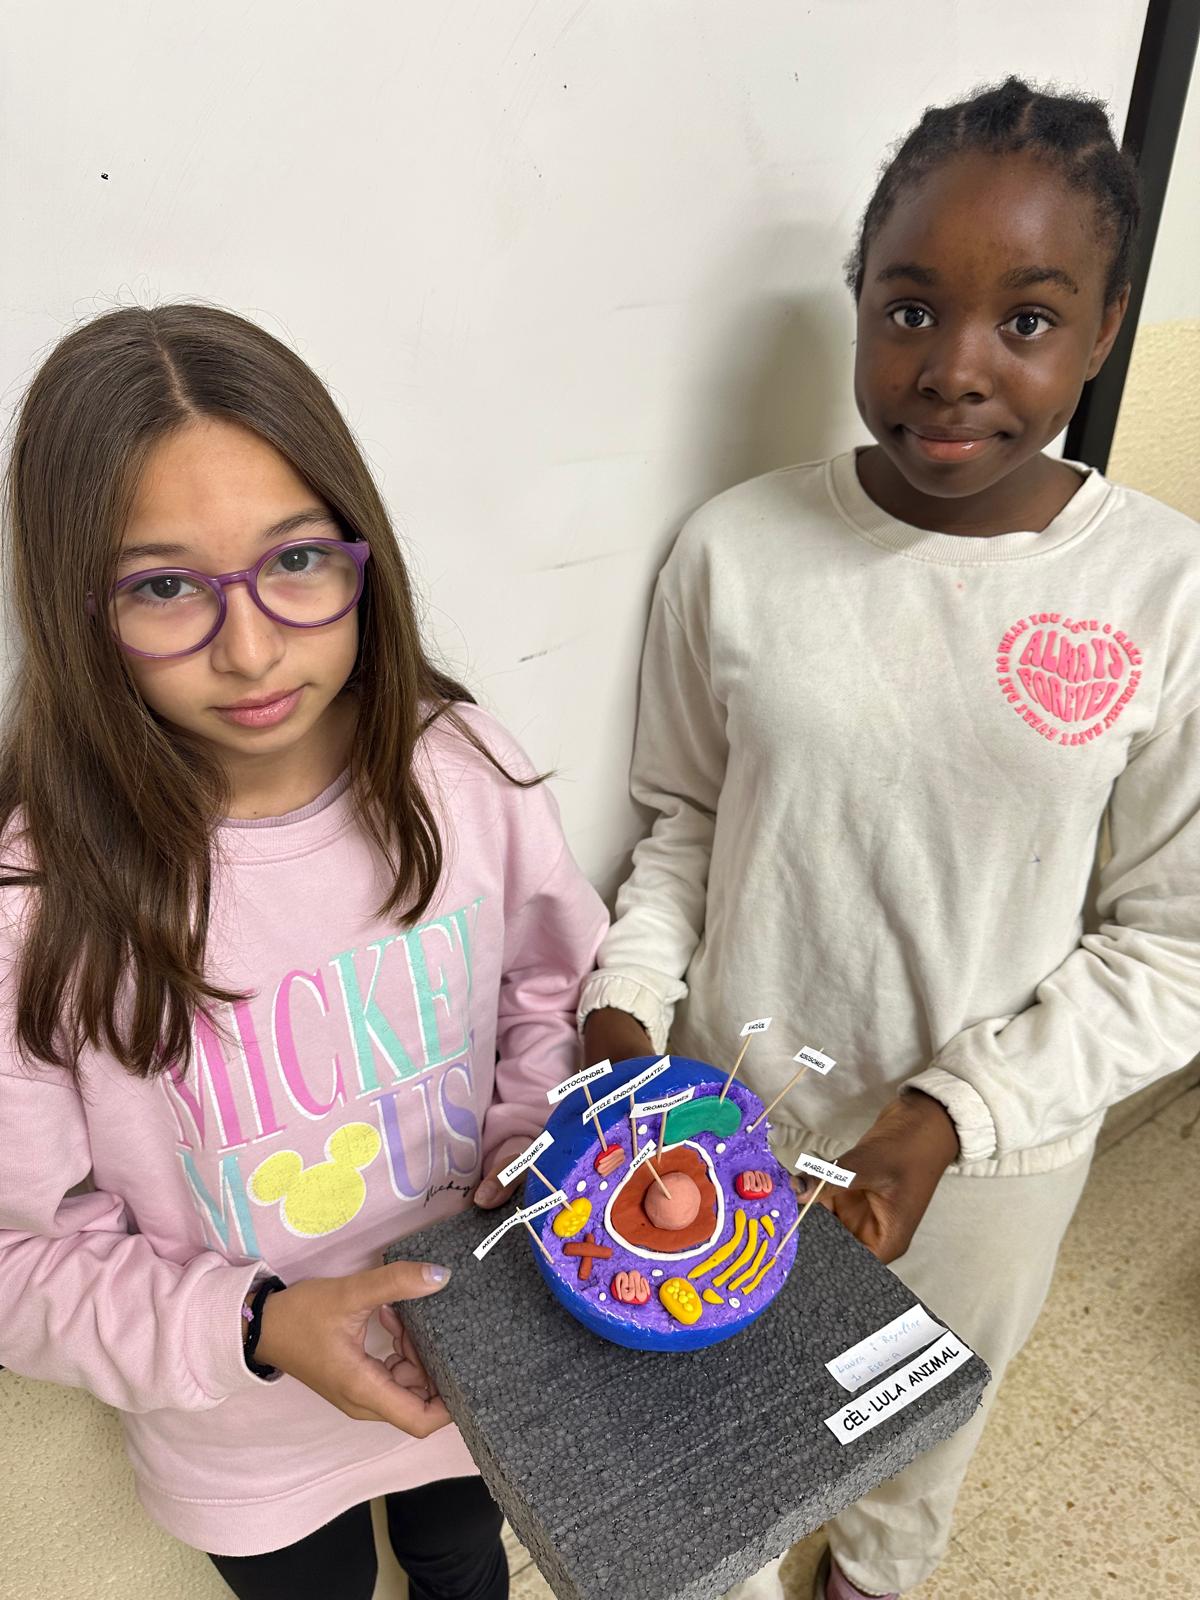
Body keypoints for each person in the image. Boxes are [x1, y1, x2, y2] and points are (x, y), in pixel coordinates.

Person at [580, 77, 1200, 1600]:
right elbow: (686, 824)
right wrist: (623, 1014)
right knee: (725, 1423)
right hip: (735, 1120)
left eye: (1028, 321)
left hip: (991, 1159)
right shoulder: (735, 551)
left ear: (1105, 333)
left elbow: (1173, 944)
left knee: (915, 1420)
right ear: (861, 302)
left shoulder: (1163, 594)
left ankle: (876, 1570)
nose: (955, 369)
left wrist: (947, 1116)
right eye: (911, 310)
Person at [0, 304, 608, 1600]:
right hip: (245, 1443)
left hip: (482, 1352)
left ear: (357, 549)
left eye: (296, 561)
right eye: (165, 587)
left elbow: (549, 991)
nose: (253, 646)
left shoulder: (465, 771)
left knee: (465, 1561)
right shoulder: (33, 909)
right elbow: (18, 1259)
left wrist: (531, 1136)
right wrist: (260, 1326)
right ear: (76, 608)